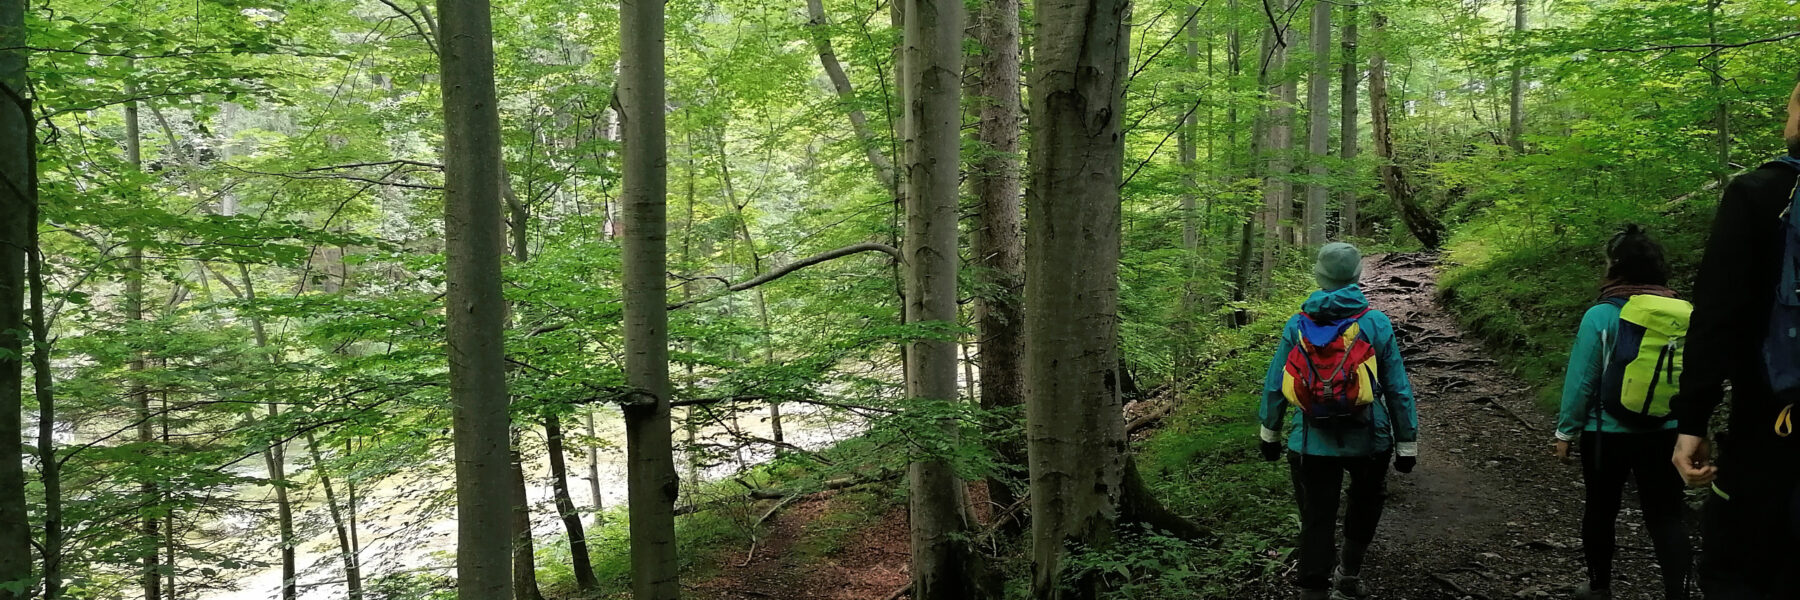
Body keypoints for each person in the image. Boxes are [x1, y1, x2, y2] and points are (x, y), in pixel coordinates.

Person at [1669, 80, 1800, 600]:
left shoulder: (1759, 194)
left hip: (1771, 434)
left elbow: (1716, 318)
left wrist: (1691, 421)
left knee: (1743, 571)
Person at [1259, 243, 1419, 600]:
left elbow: (1275, 382)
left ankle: (1313, 592)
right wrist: (1407, 442)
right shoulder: (1375, 323)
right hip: (1369, 438)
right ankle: (1347, 577)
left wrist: (1269, 432)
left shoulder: (1297, 323)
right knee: (1365, 503)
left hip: (1310, 441)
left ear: (1319, 276)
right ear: (1357, 276)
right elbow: (1396, 387)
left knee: (1317, 516)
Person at [1551, 225, 1692, 600]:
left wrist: (1565, 431)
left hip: (1606, 434)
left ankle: (1599, 588)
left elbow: (1582, 379)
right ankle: (1678, 593)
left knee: (1601, 509)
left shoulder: (1601, 314)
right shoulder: (1682, 312)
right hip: (1667, 430)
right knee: (1666, 516)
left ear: (1615, 266)